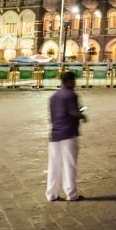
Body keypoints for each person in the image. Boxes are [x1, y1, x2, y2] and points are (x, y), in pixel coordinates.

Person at [46, 71, 86, 201]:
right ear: (69, 81)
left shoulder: (53, 97)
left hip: (55, 134)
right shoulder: (71, 95)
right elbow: (73, 112)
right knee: (70, 164)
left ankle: (51, 194)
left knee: (54, 165)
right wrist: (82, 115)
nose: (75, 83)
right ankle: (71, 193)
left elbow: (52, 116)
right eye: (74, 80)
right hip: (68, 133)